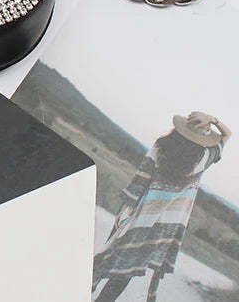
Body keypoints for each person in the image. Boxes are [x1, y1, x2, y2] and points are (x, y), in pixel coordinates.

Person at [92, 112, 231, 301]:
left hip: (138, 215)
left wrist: (125, 211)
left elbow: (140, 180)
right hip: (162, 227)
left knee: (109, 254)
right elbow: (227, 134)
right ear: (203, 139)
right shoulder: (204, 158)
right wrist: (213, 120)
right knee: (127, 269)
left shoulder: (160, 147)